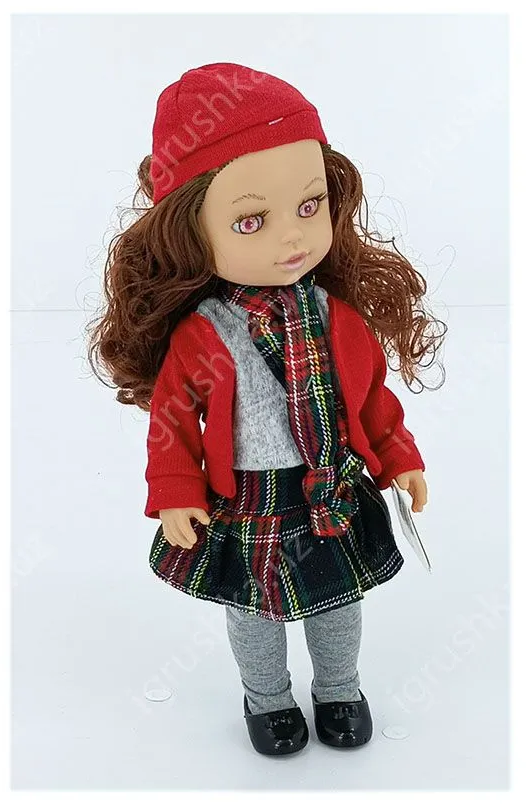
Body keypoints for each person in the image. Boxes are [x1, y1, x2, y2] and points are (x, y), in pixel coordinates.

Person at [88, 62, 445, 756]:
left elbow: (373, 398)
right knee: (254, 613)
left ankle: (338, 689)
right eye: (251, 220)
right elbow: (171, 423)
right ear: (190, 232)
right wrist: (175, 492)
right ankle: (269, 700)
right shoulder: (205, 333)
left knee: (338, 603)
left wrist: (399, 457)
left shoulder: (336, 316)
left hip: (331, 486)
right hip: (249, 499)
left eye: (310, 206)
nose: (291, 238)